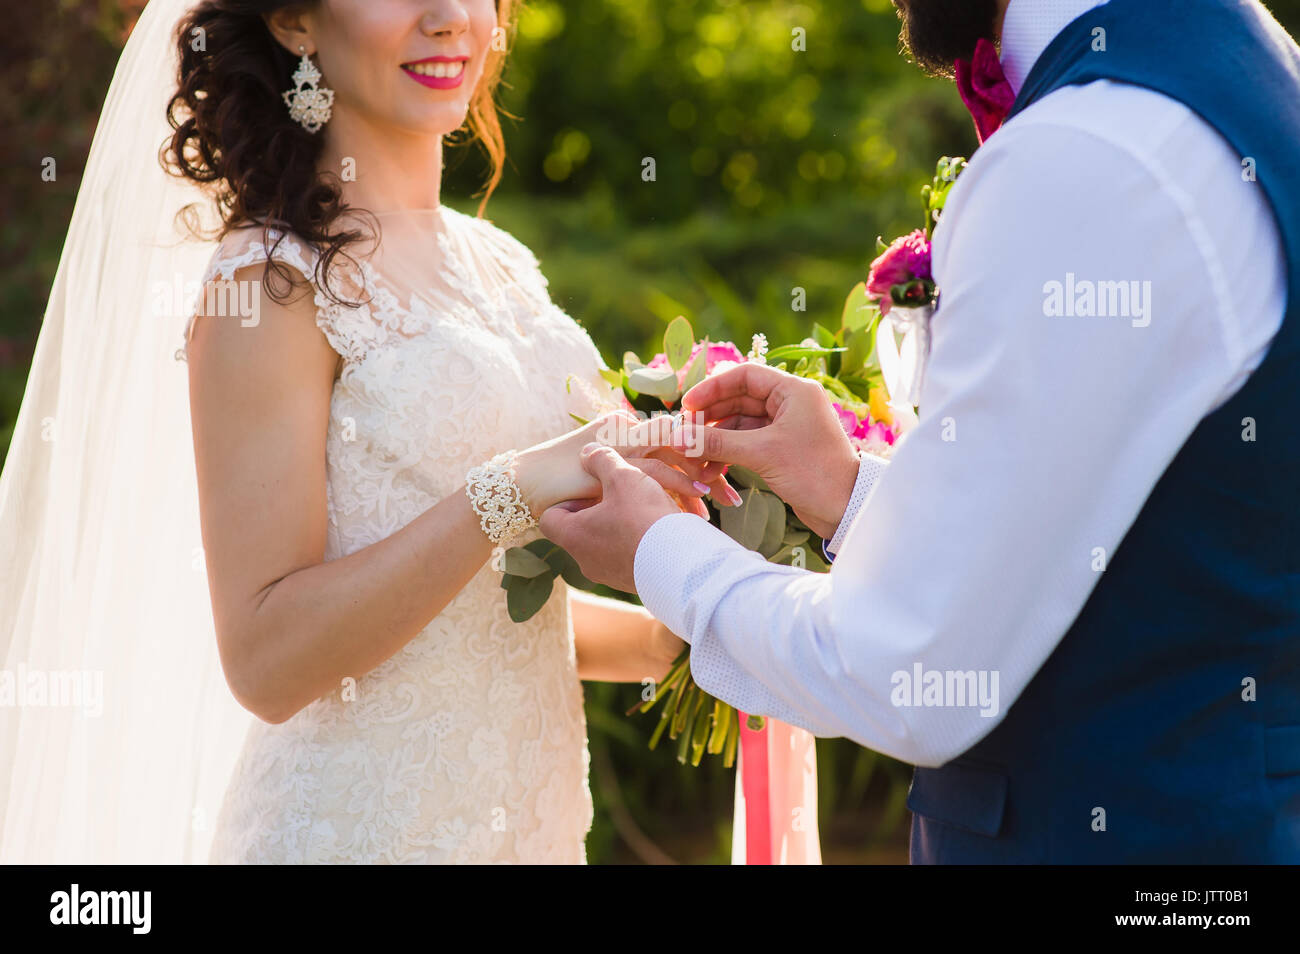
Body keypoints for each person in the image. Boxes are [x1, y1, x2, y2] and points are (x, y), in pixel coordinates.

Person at [542, 0, 1300, 863]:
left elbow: (909, 675)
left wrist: (663, 551)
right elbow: (1119, 548)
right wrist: (849, 491)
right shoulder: (1241, 77)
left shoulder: (1086, 152)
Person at [0, 0, 723, 864]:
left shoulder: (500, 265)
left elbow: (485, 621)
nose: (450, 17)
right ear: (296, 23)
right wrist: (510, 489)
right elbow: (268, 659)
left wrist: (696, 633)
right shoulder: (267, 284)